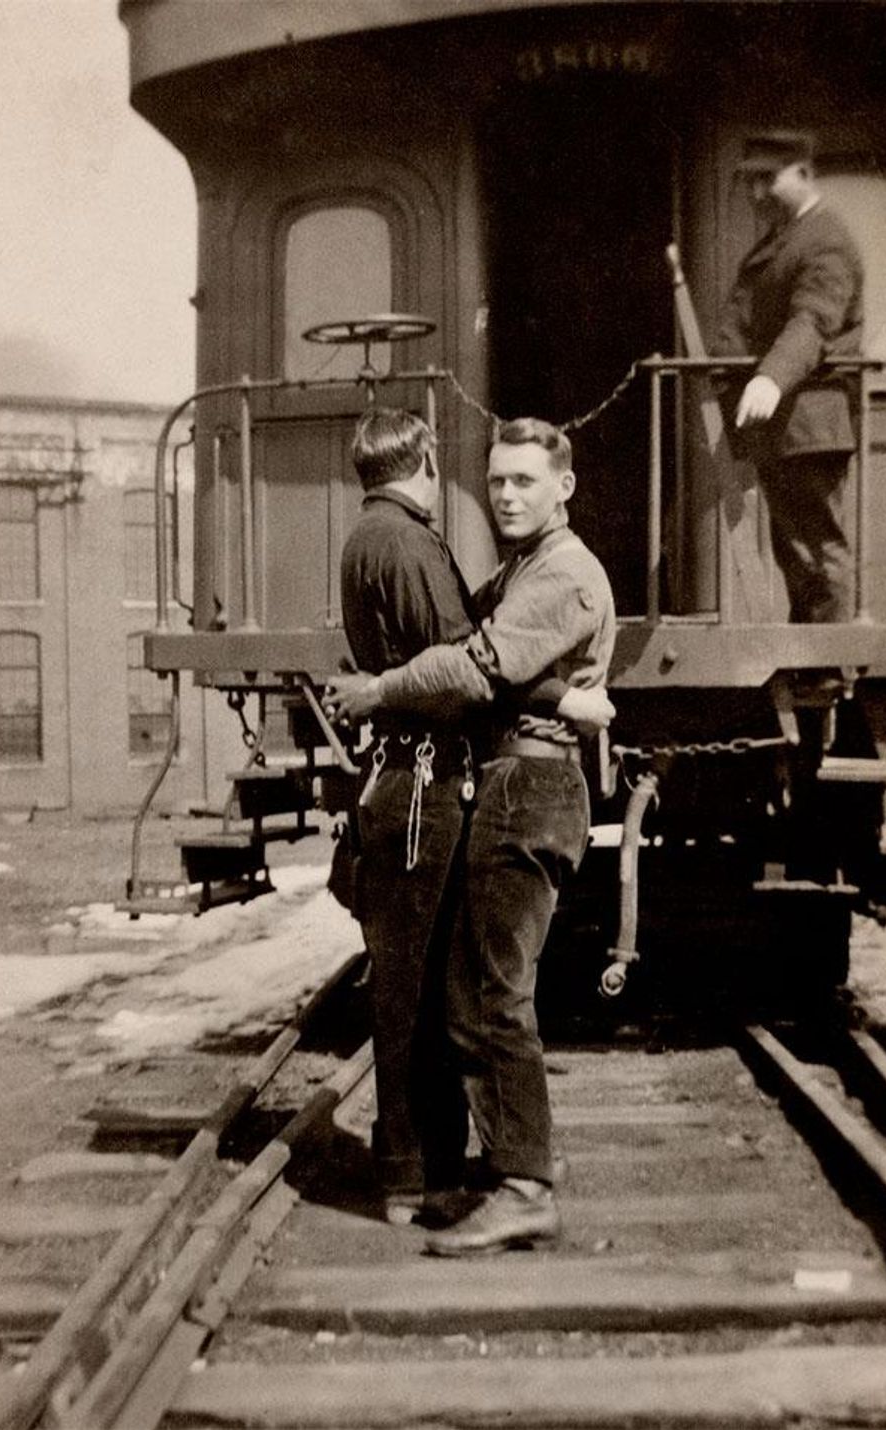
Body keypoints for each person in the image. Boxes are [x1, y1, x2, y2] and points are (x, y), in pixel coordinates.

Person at [329, 417, 616, 1255]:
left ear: (563, 487)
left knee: (492, 996)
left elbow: (471, 665)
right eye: (496, 481)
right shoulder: (522, 570)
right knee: (478, 992)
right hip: (512, 782)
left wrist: (379, 689)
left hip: (530, 783)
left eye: (526, 481)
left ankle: (523, 1185)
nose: (506, 495)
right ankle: (513, 1170)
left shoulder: (564, 575)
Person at [715, 130, 864, 623]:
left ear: (803, 174)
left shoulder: (825, 241)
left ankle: (828, 674)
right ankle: (813, 668)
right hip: (784, 429)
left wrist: (771, 379)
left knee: (817, 551)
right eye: (751, 183)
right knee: (797, 554)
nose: (757, 195)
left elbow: (814, 320)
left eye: (767, 180)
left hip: (809, 423)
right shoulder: (786, 241)